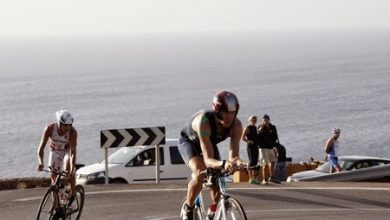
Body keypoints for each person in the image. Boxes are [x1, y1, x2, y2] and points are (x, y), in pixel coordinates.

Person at [179, 91, 246, 220]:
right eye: (225, 113)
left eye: (232, 113)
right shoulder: (204, 122)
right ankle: (189, 207)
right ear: (217, 112)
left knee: (216, 179)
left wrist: (241, 163)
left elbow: (234, 157)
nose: (229, 117)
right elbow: (208, 160)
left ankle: (214, 210)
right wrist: (223, 163)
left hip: (208, 142)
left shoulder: (236, 125)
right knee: (201, 171)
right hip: (190, 142)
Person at [37, 110, 78, 210]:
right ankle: (55, 204)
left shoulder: (72, 132)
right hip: (55, 151)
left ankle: (73, 197)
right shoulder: (50, 128)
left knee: (69, 171)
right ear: (59, 123)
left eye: (70, 125)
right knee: (54, 180)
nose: (67, 128)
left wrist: (72, 168)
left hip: (67, 151)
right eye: (65, 125)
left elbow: (72, 153)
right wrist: (40, 162)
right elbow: (41, 148)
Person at [257, 114, 279, 184]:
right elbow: (257, 136)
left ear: (269, 119)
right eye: (264, 120)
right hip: (263, 147)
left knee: (273, 161)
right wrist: (261, 129)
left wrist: (276, 147)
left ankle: (271, 177)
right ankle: (264, 179)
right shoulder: (260, 127)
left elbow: (276, 138)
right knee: (265, 163)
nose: (265, 121)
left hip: (271, 147)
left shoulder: (273, 127)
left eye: (266, 119)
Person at [241, 115, 260, 184]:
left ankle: (255, 178)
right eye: (252, 119)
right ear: (249, 120)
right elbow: (242, 138)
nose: (254, 120)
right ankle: (250, 178)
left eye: (255, 119)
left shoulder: (255, 128)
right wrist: (249, 141)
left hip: (256, 146)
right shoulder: (247, 128)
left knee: (255, 162)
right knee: (251, 161)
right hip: (250, 147)